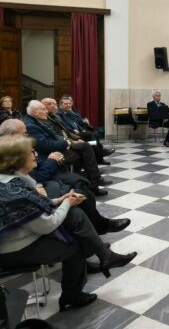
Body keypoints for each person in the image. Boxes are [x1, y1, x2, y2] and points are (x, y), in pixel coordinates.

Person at [0, 136, 137, 311]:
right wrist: (66, 203)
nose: (36, 155)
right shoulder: (14, 191)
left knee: (74, 214)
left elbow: (38, 205)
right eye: (31, 152)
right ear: (16, 159)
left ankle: (104, 256)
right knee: (75, 245)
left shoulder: (13, 179)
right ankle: (73, 293)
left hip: (23, 236)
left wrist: (60, 200)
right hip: (13, 250)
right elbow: (46, 225)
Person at [0, 119, 130, 236]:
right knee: (77, 199)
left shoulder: (22, 144)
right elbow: (35, 174)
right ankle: (94, 232)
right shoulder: (10, 150)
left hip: (45, 174)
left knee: (82, 186)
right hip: (41, 182)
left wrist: (63, 147)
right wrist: (51, 162)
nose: (27, 135)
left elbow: (54, 141)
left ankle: (98, 226)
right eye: (24, 133)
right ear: (12, 134)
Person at [23, 100, 110, 196]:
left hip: (58, 147)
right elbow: (46, 145)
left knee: (86, 146)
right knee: (85, 148)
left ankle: (93, 181)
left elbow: (59, 134)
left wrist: (68, 141)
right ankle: (93, 182)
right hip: (49, 156)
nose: (46, 111)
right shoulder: (31, 125)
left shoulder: (39, 120)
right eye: (44, 109)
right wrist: (66, 142)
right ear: (35, 112)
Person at [44, 97, 112, 166]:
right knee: (89, 139)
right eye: (66, 104)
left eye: (69, 103)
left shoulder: (70, 112)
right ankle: (100, 154)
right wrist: (74, 139)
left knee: (93, 136)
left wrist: (83, 125)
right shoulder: (58, 114)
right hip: (68, 136)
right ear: (61, 105)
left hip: (73, 134)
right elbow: (64, 129)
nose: (68, 105)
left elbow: (77, 122)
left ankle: (100, 155)